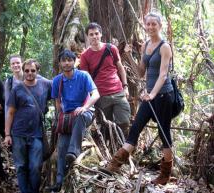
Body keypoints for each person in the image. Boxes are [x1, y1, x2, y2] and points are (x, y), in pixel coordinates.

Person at [100, 12, 175, 185]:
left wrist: (153, 94)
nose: (150, 27)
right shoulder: (146, 45)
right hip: (149, 97)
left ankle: (165, 175)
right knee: (135, 128)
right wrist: (128, 56)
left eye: (153, 24)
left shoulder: (165, 47)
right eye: (147, 24)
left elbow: (163, 75)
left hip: (163, 95)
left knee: (164, 133)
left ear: (160, 26)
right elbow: (140, 72)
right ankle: (114, 165)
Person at [46, 49, 100, 192]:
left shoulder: (84, 76)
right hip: (68, 117)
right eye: (63, 60)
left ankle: (74, 152)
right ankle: (59, 182)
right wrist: (60, 118)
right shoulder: (57, 80)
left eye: (69, 60)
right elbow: (58, 102)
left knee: (80, 116)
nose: (67, 63)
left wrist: (84, 107)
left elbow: (96, 94)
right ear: (60, 63)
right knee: (62, 148)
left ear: (75, 61)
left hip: (85, 113)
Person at [4, 59, 52, 193]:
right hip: (18, 134)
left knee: (35, 166)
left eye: (33, 71)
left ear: (37, 71)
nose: (29, 73)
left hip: (36, 134)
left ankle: (33, 190)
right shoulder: (17, 89)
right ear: (23, 71)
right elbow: (11, 112)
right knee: (20, 166)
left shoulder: (45, 85)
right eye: (27, 71)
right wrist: (7, 134)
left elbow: (61, 85)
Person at [80, 22, 131, 137]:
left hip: (118, 92)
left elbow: (120, 68)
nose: (94, 37)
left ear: (101, 34)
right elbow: (86, 78)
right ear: (87, 37)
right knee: (106, 126)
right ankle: (110, 150)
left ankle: (124, 149)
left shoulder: (111, 48)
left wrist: (125, 87)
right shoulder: (85, 56)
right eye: (91, 34)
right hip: (101, 96)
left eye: (96, 33)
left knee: (124, 122)